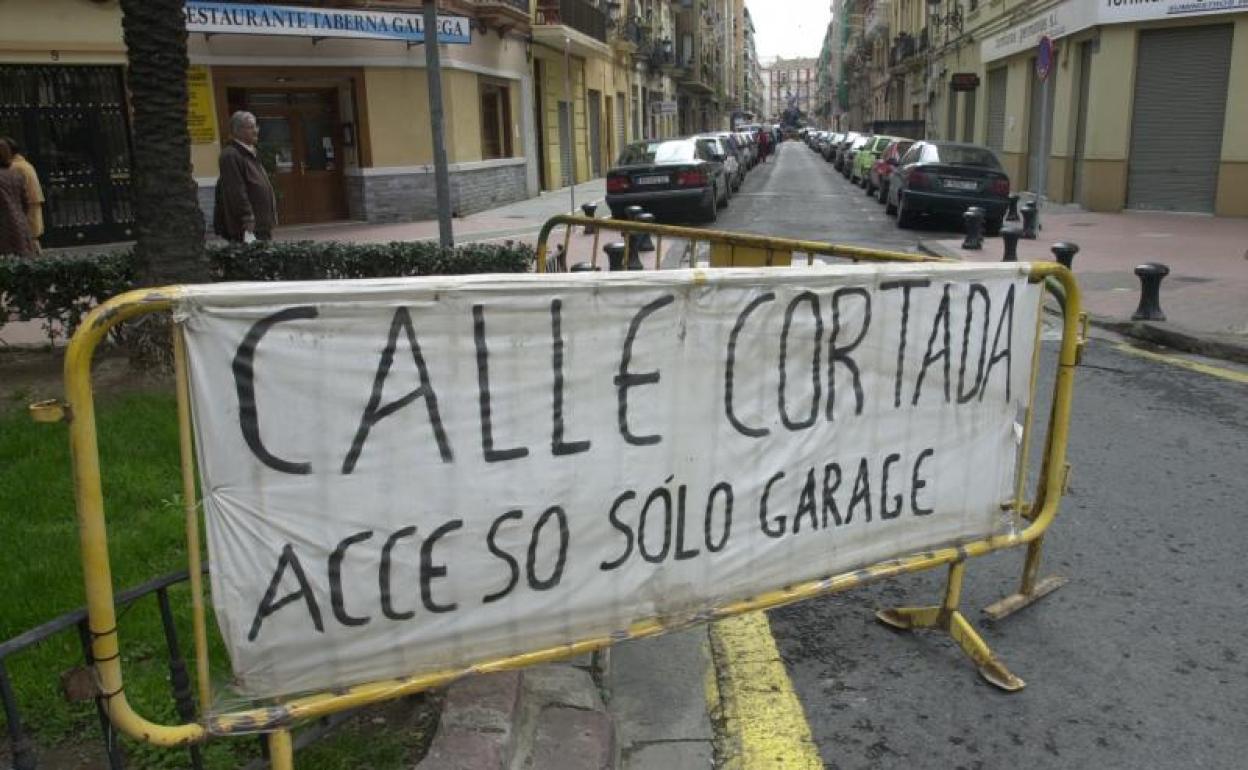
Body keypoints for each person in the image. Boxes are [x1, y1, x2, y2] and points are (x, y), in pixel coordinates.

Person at [214, 110, 277, 243]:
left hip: (260, 225)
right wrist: (247, 217)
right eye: (251, 127)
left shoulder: (249, 152)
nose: (256, 131)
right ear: (237, 131)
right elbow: (236, 190)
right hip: (247, 228)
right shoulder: (231, 155)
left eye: (256, 126)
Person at [2, 137, 44, 252]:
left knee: (27, 241)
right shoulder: (24, 164)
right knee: (32, 240)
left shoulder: (15, 167)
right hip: (31, 203)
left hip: (23, 207)